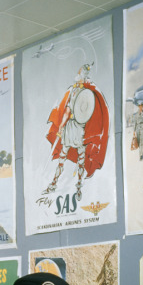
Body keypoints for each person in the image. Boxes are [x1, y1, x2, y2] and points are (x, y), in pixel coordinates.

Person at [44, 63, 109, 201]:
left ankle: (78, 186)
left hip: (80, 128)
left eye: (80, 73)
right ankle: (54, 183)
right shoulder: (73, 90)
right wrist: (61, 125)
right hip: (70, 127)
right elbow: (67, 110)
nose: (78, 75)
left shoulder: (88, 91)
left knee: (80, 158)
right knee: (63, 156)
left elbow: (87, 111)